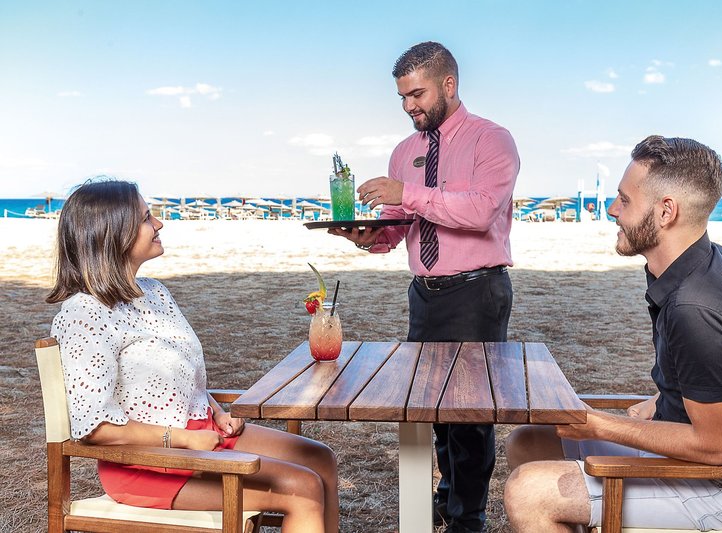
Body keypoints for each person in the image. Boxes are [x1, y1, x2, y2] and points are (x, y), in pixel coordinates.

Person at [503, 135, 722, 532]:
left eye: (625, 200)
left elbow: (719, 447)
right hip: (689, 461)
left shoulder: (696, 308)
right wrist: (661, 399)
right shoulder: (708, 264)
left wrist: (598, 424)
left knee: (529, 491)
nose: (613, 210)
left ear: (666, 211)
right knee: (528, 441)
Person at [46, 179, 339, 533]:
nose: (158, 224)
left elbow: (182, 378)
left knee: (319, 459)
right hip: (145, 464)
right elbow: (94, 427)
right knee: (301, 488)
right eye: (145, 218)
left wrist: (216, 411)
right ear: (111, 233)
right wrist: (183, 439)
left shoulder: (154, 292)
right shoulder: (85, 315)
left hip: (202, 434)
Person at [329, 41, 520, 532]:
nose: (408, 106)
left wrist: (406, 192)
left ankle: (467, 519)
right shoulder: (404, 152)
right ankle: (447, 495)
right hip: (425, 293)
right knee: (433, 407)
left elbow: (480, 212)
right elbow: (398, 227)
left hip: (477, 292)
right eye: (402, 97)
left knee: (470, 415)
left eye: (417, 94)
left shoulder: (491, 140)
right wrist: (368, 237)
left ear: (448, 85)